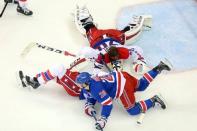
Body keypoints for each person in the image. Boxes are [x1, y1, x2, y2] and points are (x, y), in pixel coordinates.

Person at [75, 58, 172, 130]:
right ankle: (159, 67)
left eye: (80, 84)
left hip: (123, 87)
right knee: (142, 85)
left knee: (132, 110)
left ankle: (154, 99)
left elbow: (108, 103)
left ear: (86, 83)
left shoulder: (95, 88)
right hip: (122, 75)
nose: (79, 85)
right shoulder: (89, 83)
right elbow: (90, 95)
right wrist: (89, 105)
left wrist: (103, 119)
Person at [74, 6, 151, 73]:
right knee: (89, 28)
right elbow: (137, 49)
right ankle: (85, 19)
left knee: (124, 35)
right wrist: (139, 61)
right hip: (105, 36)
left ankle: (133, 24)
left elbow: (136, 49)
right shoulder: (102, 56)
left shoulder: (103, 56)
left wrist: (139, 61)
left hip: (109, 36)